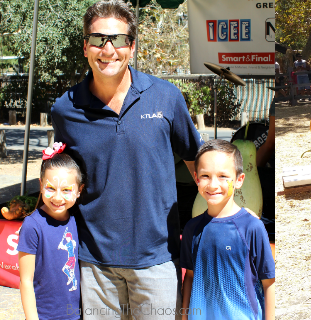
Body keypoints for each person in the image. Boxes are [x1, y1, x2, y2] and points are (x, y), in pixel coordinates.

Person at [50, 1, 204, 318]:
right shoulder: (65, 109)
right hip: (94, 264)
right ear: (85, 47)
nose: (108, 49)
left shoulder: (166, 97)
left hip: (158, 259)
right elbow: (64, 177)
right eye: (98, 39)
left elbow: (196, 161)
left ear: (131, 47)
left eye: (118, 39)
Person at [180, 140, 276, 320]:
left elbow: (269, 282)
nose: (213, 184)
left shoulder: (252, 228)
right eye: (205, 176)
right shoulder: (191, 229)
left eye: (223, 176)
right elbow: (190, 278)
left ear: (239, 180)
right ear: (196, 179)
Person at [18, 143, 84, 320]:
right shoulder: (32, 225)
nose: (57, 197)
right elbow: (25, 280)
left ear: (79, 191)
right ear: (41, 185)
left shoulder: (77, 220)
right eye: (51, 188)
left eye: (66, 190)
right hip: (44, 316)